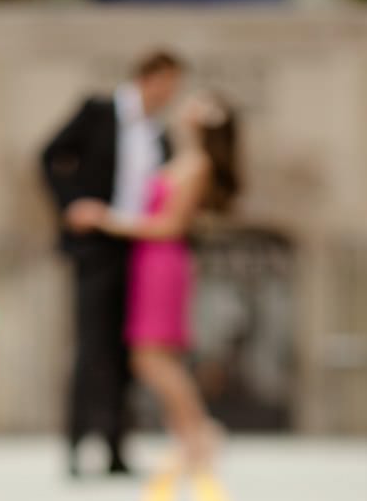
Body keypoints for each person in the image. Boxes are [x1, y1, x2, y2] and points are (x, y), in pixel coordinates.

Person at [68, 90, 239, 469]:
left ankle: (199, 435)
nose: (184, 105)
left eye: (196, 104)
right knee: (153, 357)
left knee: (153, 357)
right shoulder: (179, 158)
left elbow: (169, 226)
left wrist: (104, 218)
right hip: (148, 261)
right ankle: (190, 437)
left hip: (164, 260)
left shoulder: (197, 164)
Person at [40, 50, 185, 477]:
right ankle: (75, 447)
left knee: (127, 352)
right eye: (168, 84)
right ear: (148, 78)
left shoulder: (161, 136)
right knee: (90, 347)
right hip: (96, 247)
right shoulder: (98, 111)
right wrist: (71, 205)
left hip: (137, 250)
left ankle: (117, 448)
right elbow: (49, 155)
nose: (170, 95)